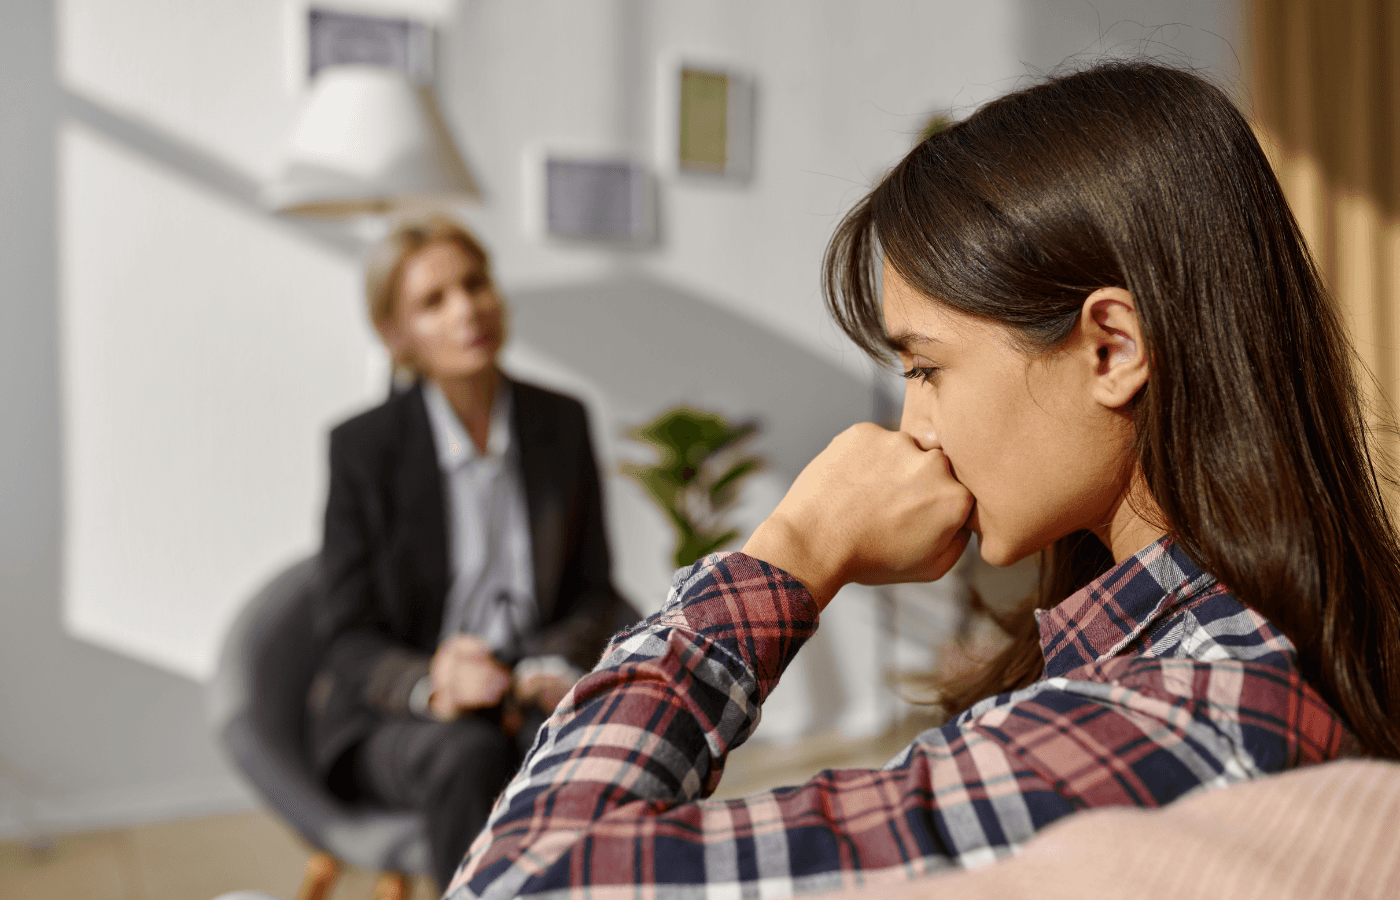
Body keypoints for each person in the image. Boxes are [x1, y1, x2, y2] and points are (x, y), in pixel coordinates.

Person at [448, 60, 1400, 899]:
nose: (913, 430)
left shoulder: (1172, 722)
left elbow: (527, 876)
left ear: (1112, 348)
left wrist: (793, 553)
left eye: (925, 368)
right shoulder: (1250, 655)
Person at [305, 215, 631, 891]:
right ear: (396, 336)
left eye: (475, 284)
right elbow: (347, 634)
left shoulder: (562, 421)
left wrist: (548, 661)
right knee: (469, 752)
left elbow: (595, 590)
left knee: (582, 738)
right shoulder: (363, 449)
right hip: (400, 715)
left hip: (525, 683)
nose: (468, 309)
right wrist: (432, 682)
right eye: (434, 301)